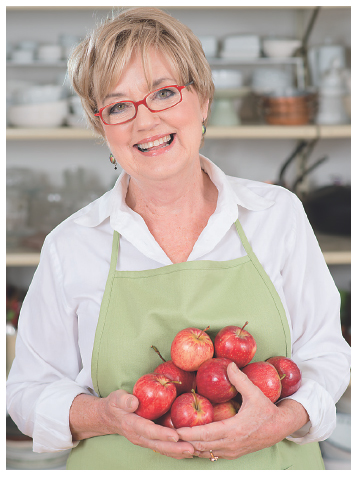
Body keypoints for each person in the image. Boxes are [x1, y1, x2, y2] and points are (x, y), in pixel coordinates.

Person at [6, 7, 350, 470]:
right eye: (119, 105)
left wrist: (282, 419)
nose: (145, 122)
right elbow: (27, 392)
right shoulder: (71, 244)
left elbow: (327, 354)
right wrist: (107, 416)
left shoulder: (276, 215)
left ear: (203, 100)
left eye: (164, 93)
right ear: (100, 126)